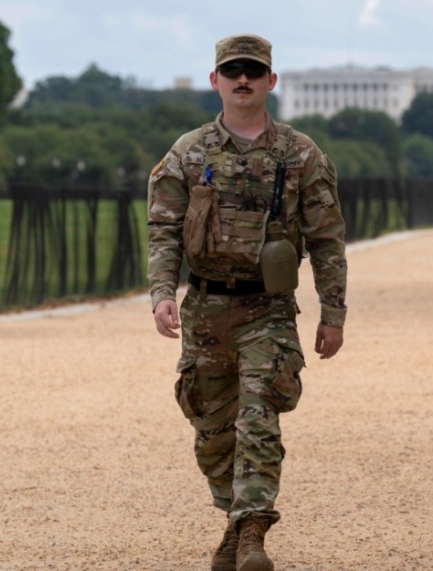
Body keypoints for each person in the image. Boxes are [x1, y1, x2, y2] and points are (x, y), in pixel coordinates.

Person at [147, 34, 347, 571]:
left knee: (259, 418)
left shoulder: (300, 154)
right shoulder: (188, 153)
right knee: (212, 433)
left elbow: (327, 240)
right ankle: (235, 521)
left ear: (270, 81)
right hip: (206, 308)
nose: (243, 79)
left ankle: (254, 531)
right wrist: (162, 292)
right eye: (232, 70)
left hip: (268, 310)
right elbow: (163, 229)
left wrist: (333, 313)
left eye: (253, 71)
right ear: (215, 80)